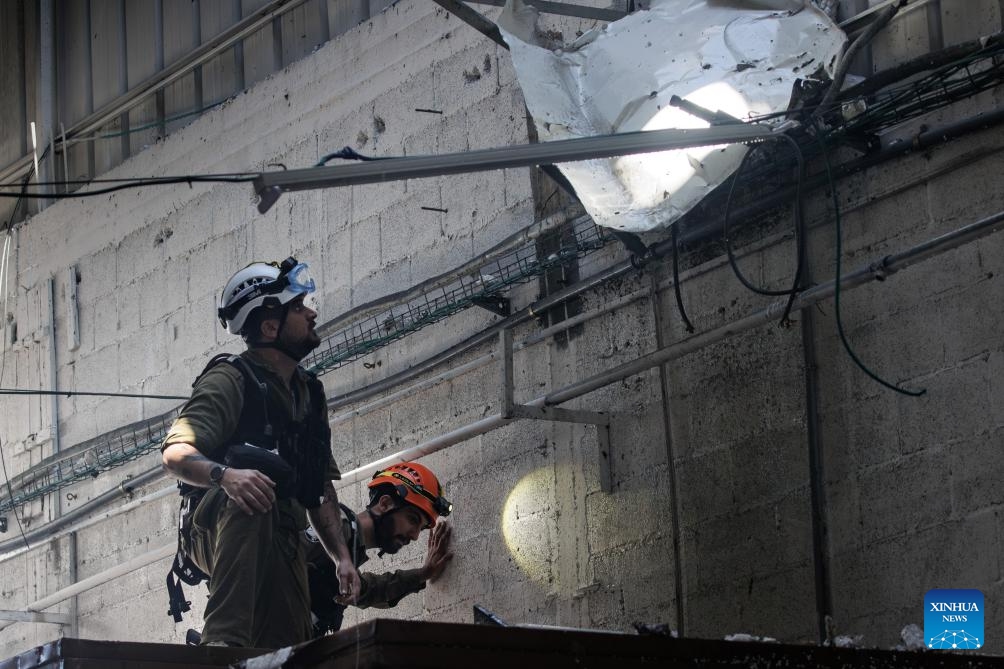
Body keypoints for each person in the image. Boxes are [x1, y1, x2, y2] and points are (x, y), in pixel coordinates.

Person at [161, 257, 360, 649]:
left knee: (292, 648)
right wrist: (226, 476)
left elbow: (316, 489)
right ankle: (221, 644)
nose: (312, 313)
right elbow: (175, 453)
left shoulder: (309, 394)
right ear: (270, 325)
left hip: (281, 534)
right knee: (255, 495)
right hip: (216, 527)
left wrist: (341, 557)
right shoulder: (231, 379)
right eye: (300, 307)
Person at [306, 462, 454, 636]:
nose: (414, 536)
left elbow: (372, 590)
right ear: (385, 503)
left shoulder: (348, 555)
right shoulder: (338, 527)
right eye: (413, 520)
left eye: (421, 529)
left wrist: (423, 574)